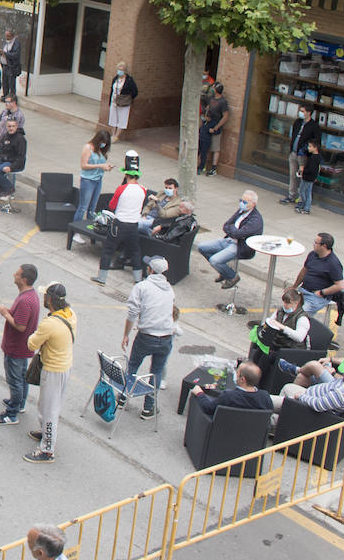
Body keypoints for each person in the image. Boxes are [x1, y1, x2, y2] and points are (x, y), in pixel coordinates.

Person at [24, 284, 77, 463]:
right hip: (65, 366)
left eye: (45, 295)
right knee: (46, 405)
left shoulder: (50, 323)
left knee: (49, 409)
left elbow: (32, 344)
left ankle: (47, 449)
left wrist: (35, 334)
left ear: (50, 299)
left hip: (53, 369)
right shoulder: (70, 314)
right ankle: (46, 433)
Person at [120, 256, 177, 418]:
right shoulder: (170, 289)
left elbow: (132, 313)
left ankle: (123, 397)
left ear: (150, 270)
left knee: (133, 366)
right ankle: (148, 407)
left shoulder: (142, 287)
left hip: (146, 336)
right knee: (156, 371)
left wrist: (126, 334)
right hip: (166, 337)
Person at [0, 264, 41, 426]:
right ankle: (20, 403)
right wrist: (9, 311)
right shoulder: (30, 295)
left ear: (24, 279)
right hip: (23, 347)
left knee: (15, 380)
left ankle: (12, 412)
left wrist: (6, 314)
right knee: (22, 377)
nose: (14, 275)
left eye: (17, 274)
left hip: (16, 347)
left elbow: (20, 326)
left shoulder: (25, 300)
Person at [271, 345, 344, 414]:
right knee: (288, 387)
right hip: (310, 396)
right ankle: (284, 417)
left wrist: (300, 396)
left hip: (306, 406)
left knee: (266, 401)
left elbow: (318, 405)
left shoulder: (341, 393)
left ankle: (280, 423)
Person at [91, 153, 147, 285]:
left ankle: (102, 278)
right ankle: (138, 279)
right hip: (133, 225)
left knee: (108, 250)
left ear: (126, 174)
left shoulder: (121, 189)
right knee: (135, 251)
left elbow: (112, 205)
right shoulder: (143, 190)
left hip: (119, 224)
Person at [196, 190, 263, 289]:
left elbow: (238, 233)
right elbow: (226, 225)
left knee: (215, 261)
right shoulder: (241, 211)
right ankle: (224, 272)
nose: (242, 203)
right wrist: (234, 230)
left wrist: (233, 231)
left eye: (245, 202)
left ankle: (232, 277)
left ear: (253, 204)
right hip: (229, 240)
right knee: (202, 247)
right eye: (241, 200)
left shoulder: (255, 219)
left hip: (241, 247)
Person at [247, 288, 314, 375]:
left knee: (267, 357)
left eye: (288, 303)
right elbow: (269, 321)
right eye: (284, 302)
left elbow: (299, 337)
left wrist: (283, 328)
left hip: (290, 349)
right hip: (277, 344)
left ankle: (257, 379)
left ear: (296, 303)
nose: (285, 305)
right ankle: (250, 373)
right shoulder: (280, 311)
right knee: (259, 351)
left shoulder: (302, 318)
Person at [70, 130, 114, 241]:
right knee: (83, 207)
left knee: (92, 209)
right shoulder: (88, 148)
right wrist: (100, 166)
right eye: (102, 142)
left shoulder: (101, 150)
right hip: (88, 181)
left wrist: (106, 167)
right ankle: (76, 232)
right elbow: (83, 165)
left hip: (98, 180)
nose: (104, 144)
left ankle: (90, 231)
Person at [287, 232, 344, 315]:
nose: (313, 244)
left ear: (324, 246)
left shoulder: (333, 264)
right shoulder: (312, 255)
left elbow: (340, 285)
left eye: (316, 243)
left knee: (297, 314)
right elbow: (304, 271)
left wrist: (322, 292)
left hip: (316, 296)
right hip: (303, 290)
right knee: (287, 307)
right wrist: (294, 286)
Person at [190, 362, 272, 416]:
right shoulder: (265, 397)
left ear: (242, 379)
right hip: (252, 436)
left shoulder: (229, 396)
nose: (235, 374)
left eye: (237, 372)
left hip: (224, 430)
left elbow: (208, 408)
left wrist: (199, 394)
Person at [281, 104, 320, 205]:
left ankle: (302, 199)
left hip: (304, 155)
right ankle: (291, 196)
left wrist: (308, 152)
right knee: (293, 175)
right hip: (294, 153)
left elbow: (316, 141)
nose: (301, 113)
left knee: (303, 178)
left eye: (303, 111)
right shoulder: (298, 122)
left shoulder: (314, 126)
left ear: (309, 113)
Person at [0, 118, 27, 198]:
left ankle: (9, 188)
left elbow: (21, 157)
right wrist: (0, 158)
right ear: (6, 127)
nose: (11, 128)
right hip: (3, 159)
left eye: (13, 126)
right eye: (9, 126)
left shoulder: (21, 139)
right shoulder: (5, 136)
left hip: (14, 162)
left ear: (16, 127)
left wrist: (11, 167)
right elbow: (0, 149)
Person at [201, 83, 229, 176]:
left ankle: (213, 168)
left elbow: (225, 116)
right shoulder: (211, 98)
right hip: (208, 124)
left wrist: (216, 127)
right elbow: (208, 108)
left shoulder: (223, 102)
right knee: (205, 145)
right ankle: (203, 164)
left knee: (215, 147)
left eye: (213, 88)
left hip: (215, 126)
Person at [107, 62, 137, 142]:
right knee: (113, 118)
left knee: (122, 119)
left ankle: (117, 136)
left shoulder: (129, 80)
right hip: (114, 101)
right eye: (118, 69)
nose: (119, 71)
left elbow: (135, 92)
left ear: (125, 71)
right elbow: (112, 89)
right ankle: (113, 135)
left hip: (124, 103)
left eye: (121, 70)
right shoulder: (115, 78)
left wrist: (128, 98)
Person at [297, 139, 321, 214]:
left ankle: (304, 205)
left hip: (308, 178)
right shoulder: (316, 157)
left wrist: (303, 170)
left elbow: (311, 169)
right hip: (311, 177)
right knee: (308, 192)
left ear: (315, 148)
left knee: (302, 191)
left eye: (310, 146)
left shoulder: (314, 158)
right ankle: (306, 207)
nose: (308, 148)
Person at [0, 29, 22, 99]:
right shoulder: (6, 42)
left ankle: (12, 98)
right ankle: (5, 95)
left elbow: (16, 55)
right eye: (6, 36)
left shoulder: (16, 43)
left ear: (12, 36)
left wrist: (5, 54)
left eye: (8, 36)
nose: (7, 37)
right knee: (4, 82)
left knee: (11, 83)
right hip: (4, 65)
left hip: (12, 66)